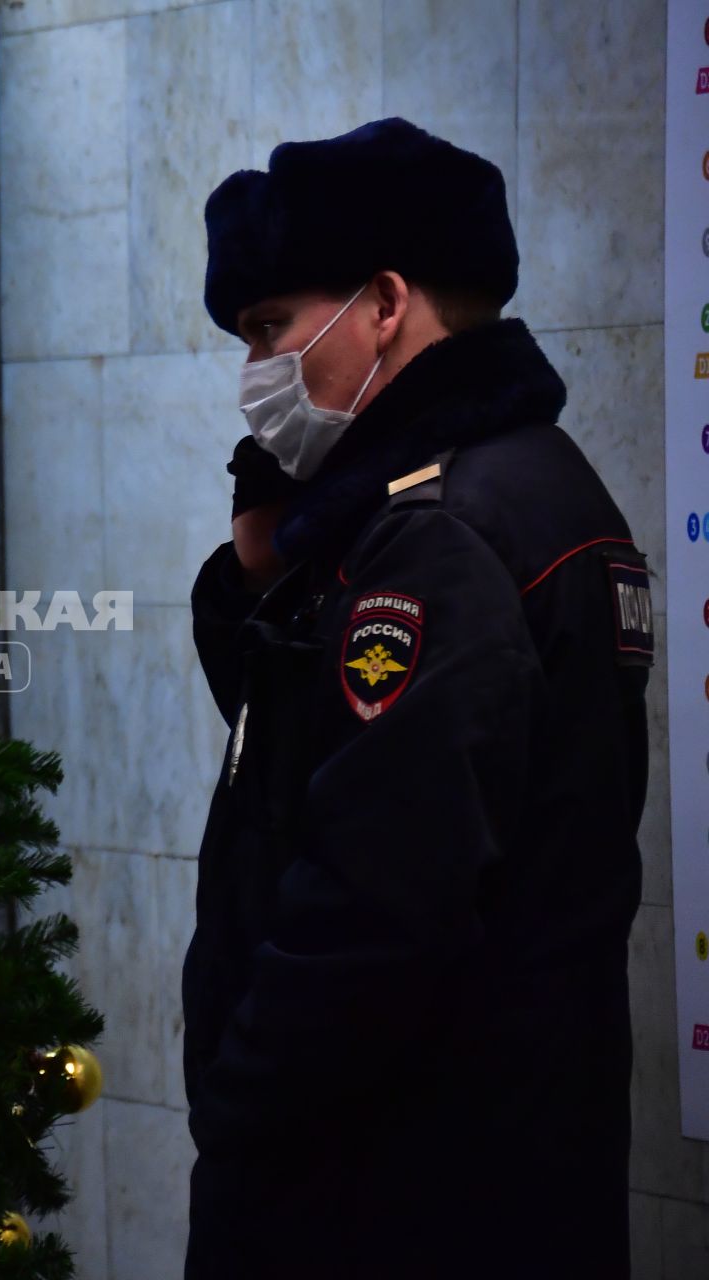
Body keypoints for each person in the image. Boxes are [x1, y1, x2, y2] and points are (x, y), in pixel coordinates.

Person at [184, 118, 649, 1279]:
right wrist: (261, 564)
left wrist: (242, 1103)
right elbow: (307, 737)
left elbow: (381, 899)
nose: (255, 374)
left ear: (385, 303)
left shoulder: (435, 538)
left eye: (271, 329)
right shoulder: (529, 483)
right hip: (501, 1160)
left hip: (393, 1188)